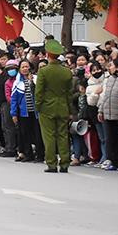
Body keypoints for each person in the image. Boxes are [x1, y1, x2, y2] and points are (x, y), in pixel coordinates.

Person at [35, 38, 75, 173]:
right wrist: (70, 109)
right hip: (63, 106)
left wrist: (38, 107)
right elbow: (69, 93)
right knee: (63, 135)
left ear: (47, 54)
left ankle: (51, 164)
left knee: (49, 136)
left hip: (47, 107)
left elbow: (39, 92)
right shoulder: (67, 71)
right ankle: (64, 163)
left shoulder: (43, 71)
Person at [10, 59, 37, 163]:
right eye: (23, 67)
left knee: (37, 133)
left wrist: (31, 82)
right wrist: (13, 113)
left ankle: (40, 154)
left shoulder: (35, 79)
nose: (25, 69)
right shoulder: (17, 82)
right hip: (23, 112)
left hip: (35, 112)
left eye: (27, 66)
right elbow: (14, 99)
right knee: (25, 133)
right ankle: (28, 154)